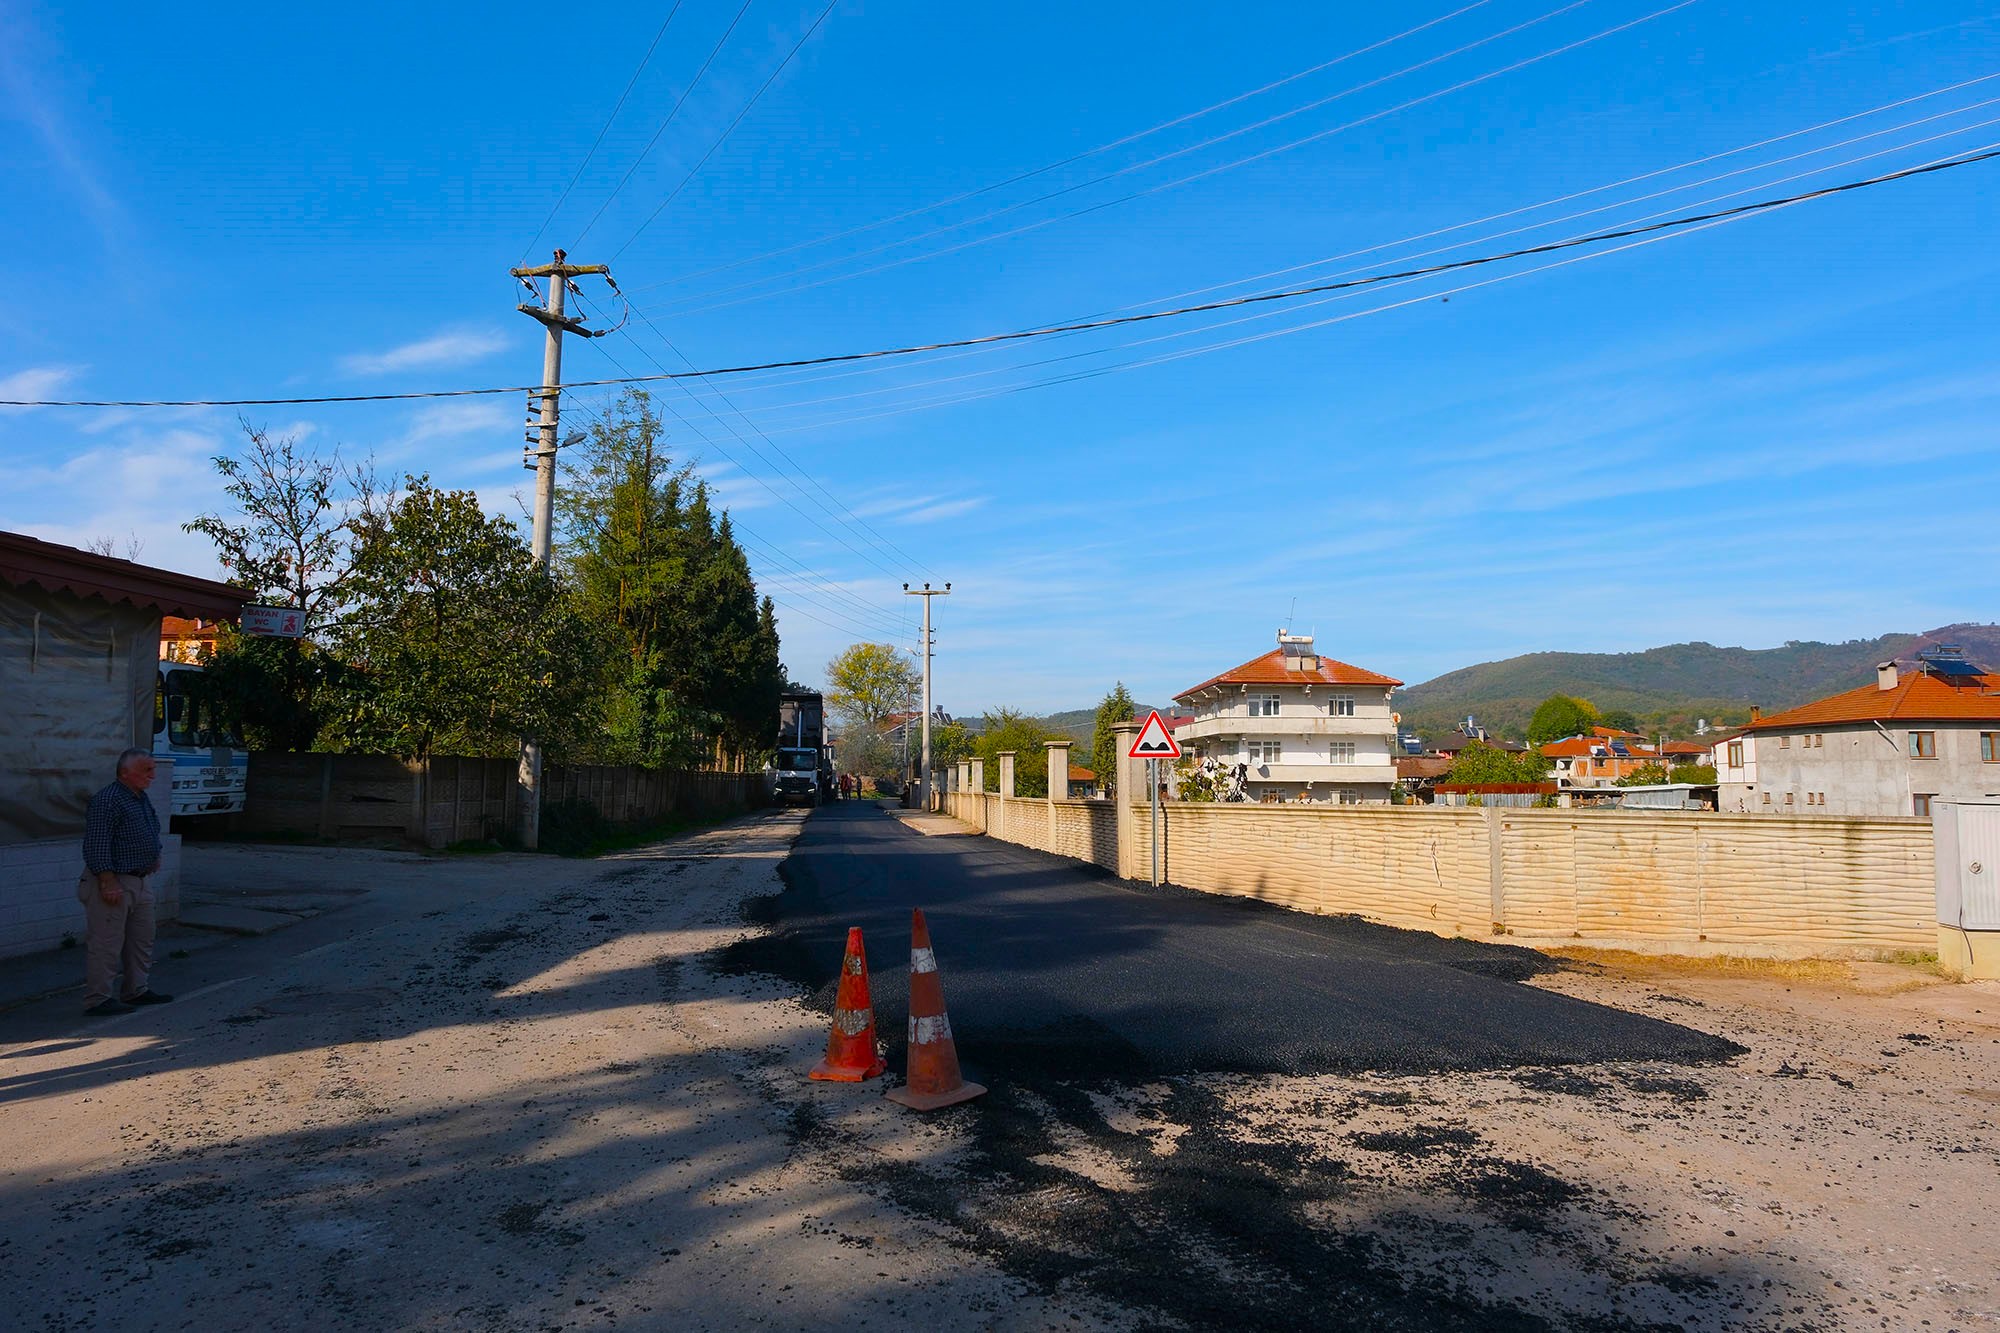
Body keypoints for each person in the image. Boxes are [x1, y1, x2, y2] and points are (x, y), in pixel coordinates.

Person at [77, 748, 171, 1016]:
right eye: (146, 770)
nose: (152, 775)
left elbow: (150, 829)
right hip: (113, 882)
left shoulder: (138, 797)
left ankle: (136, 989)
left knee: (142, 939)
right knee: (106, 943)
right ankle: (98, 999)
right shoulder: (108, 800)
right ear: (125, 773)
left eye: (152, 769)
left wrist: (156, 854)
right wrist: (107, 880)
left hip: (139, 882)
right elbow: (96, 843)